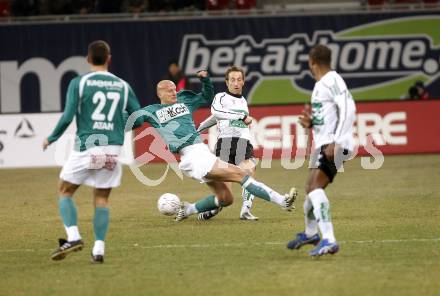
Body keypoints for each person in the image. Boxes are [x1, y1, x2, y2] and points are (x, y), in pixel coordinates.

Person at [133, 70, 296, 222]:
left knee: (226, 198)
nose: (174, 92)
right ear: (159, 93)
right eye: (169, 90)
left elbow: (206, 96)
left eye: (174, 89)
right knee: (241, 174)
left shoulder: (184, 100)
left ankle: (188, 209)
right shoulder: (152, 111)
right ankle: (282, 201)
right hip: (192, 156)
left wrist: (205, 80)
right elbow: (134, 120)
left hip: (201, 153)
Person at [43, 40, 142, 264]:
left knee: (65, 190)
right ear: (109, 58)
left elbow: (68, 116)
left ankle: (73, 237)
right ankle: (98, 250)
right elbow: (139, 118)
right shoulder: (122, 85)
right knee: (101, 198)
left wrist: (52, 138)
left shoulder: (79, 82)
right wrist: (118, 125)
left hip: (87, 147)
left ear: (88, 59)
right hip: (113, 151)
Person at [286, 44, 356, 257]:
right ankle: (311, 233)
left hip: (334, 145)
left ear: (312, 62)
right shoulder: (321, 84)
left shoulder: (333, 80)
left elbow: (348, 108)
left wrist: (336, 142)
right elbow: (330, 115)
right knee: (311, 188)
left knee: (315, 187)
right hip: (324, 144)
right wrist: (311, 122)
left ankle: (329, 239)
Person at [197, 66, 258, 221]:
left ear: (243, 82)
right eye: (232, 80)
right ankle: (210, 211)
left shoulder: (243, 101)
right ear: (227, 82)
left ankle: (246, 210)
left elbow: (220, 117)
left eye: (239, 79)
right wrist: (199, 129)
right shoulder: (221, 97)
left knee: (249, 170)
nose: (236, 83)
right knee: (225, 194)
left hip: (243, 142)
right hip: (225, 142)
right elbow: (216, 114)